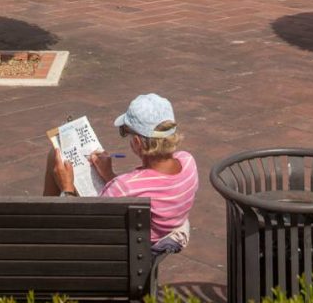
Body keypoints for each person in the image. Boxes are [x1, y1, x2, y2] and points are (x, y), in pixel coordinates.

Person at [44, 93, 198, 251]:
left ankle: (43, 231)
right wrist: (108, 175)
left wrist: (67, 188)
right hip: (158, 243)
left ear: (137, 142)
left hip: (120, 254)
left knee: (54, 157)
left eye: (125, 132)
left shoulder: (124, 187)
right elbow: (145, 189)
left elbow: (86, 226)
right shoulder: (187, 162)